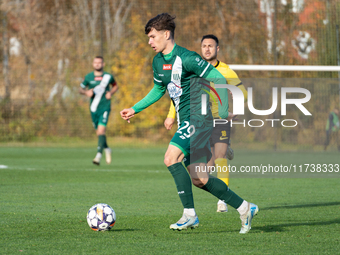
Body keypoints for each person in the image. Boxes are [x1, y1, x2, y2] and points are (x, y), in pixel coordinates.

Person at [120, 13, 258, 233]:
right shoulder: (157, 62)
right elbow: (158, 90)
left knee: (170, 157)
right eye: (149, 38)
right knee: (199, 178)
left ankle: (189, 215)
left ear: (167, 34)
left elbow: (219, 78)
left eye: (153, 37)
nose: (150, 42)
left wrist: (222, 111)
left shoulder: (187, 57)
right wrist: (135, 108)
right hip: (186, 120)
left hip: (199, 118)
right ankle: (244, 208)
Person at [164, 34, 248, 213]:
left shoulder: (226, 71)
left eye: (211, 46)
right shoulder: (193, 68)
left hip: (219, 120)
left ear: (217, 49)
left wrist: (236, 104)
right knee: (204, 170)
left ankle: (222, 201)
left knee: (220, 157)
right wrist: (171, 115)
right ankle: (231, 196)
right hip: (199, 121)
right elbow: (179, 94)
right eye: (204, 46)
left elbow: (242, 93)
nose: (207, 49)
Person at [79, 56, 118, 165]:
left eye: (99, 62)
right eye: (95, 62)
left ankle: (98, 156)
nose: (97, 64)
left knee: (101, 131)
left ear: (103, 64)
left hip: (105, 107)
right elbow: (80, 89)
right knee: (99, 133)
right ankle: (107, 149)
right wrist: (86, 92)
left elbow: (115, 86)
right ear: (93, 64)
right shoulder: (88, 77)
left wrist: (111, 93)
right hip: (93, 108)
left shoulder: (108, 77)